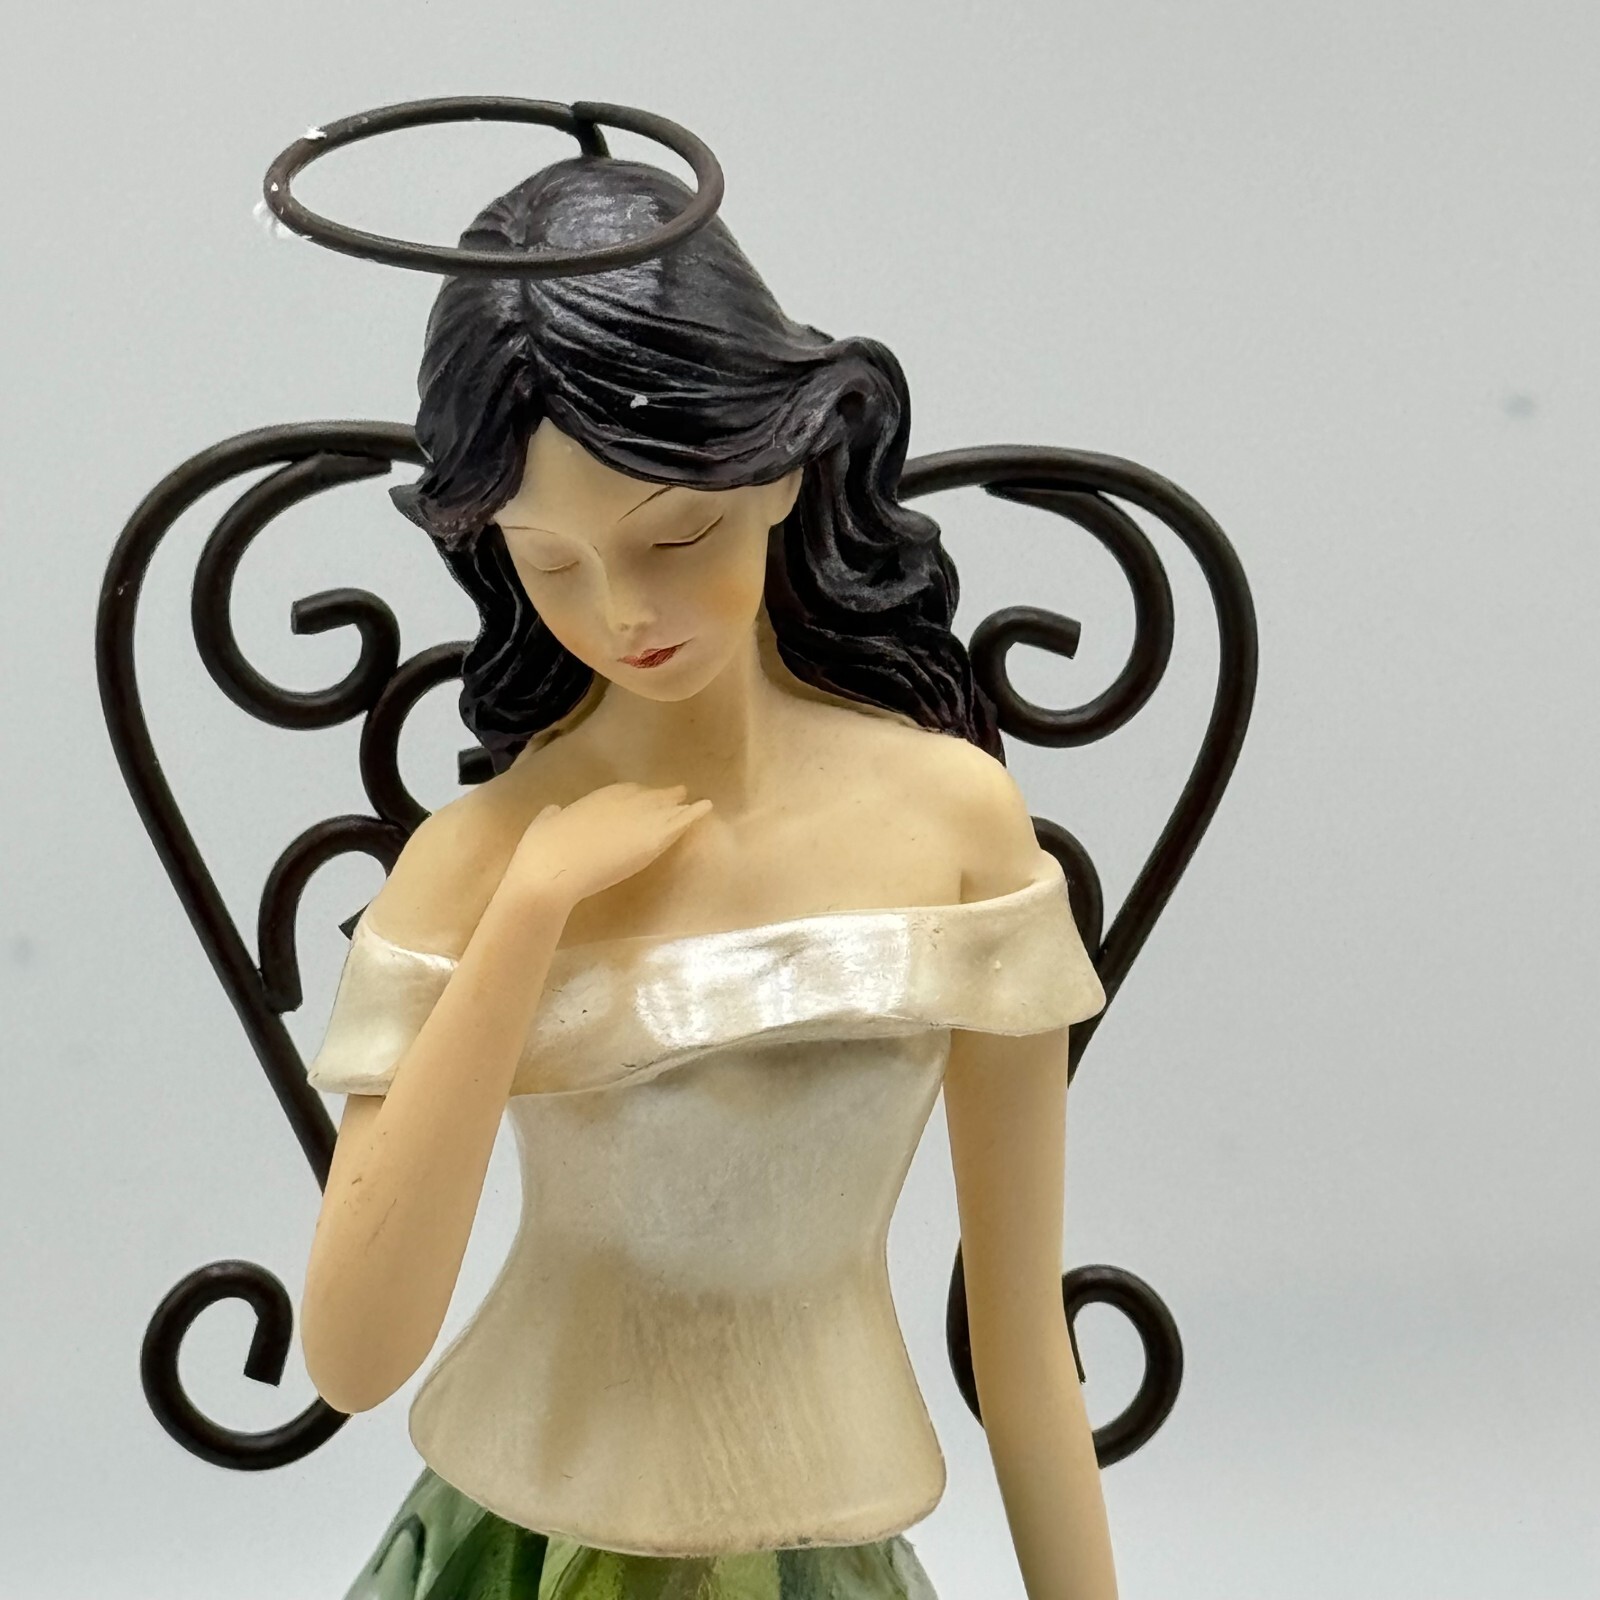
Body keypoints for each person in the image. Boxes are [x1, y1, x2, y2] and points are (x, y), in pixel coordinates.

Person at [299, 155, 1115, 1600]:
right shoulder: (478, 862)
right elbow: (355, 1357)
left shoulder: (950, 823)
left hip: (815, 1539)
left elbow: (1019, 1336)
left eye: (678, 535)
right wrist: (527, 918)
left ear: (780, 468)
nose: (625, 612)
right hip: (520, 1541)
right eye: (551, 562)